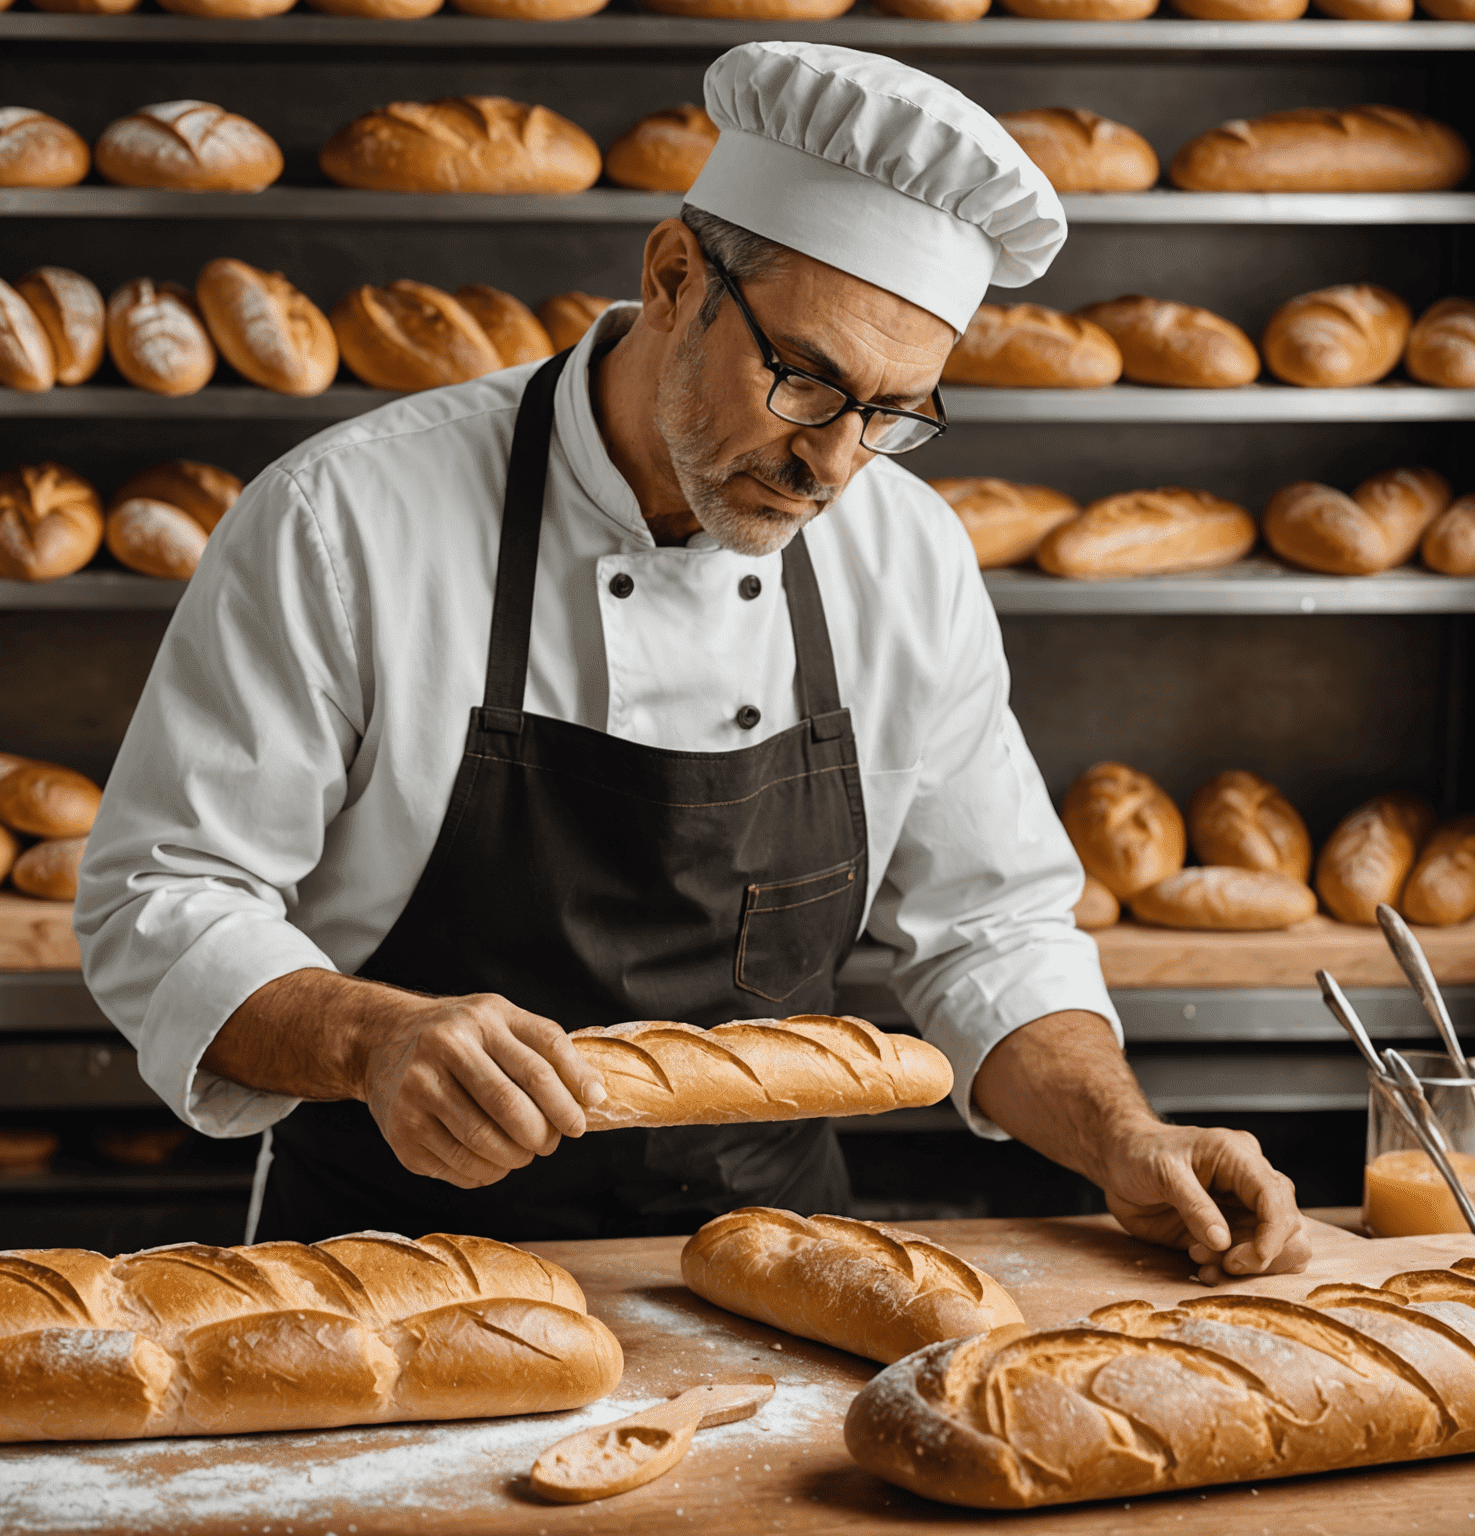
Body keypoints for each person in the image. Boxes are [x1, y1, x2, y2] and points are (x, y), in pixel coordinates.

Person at [76, 41, 1309, 1283]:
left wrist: (1124, 1136)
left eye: (895, 416)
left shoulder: (908, 553)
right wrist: (368, 1037)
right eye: (807, 381)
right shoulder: (344, 519)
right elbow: (161, 901)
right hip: (384, 1271)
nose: (834, 464)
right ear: (674, 276)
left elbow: (987, 928)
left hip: (772, 1272)